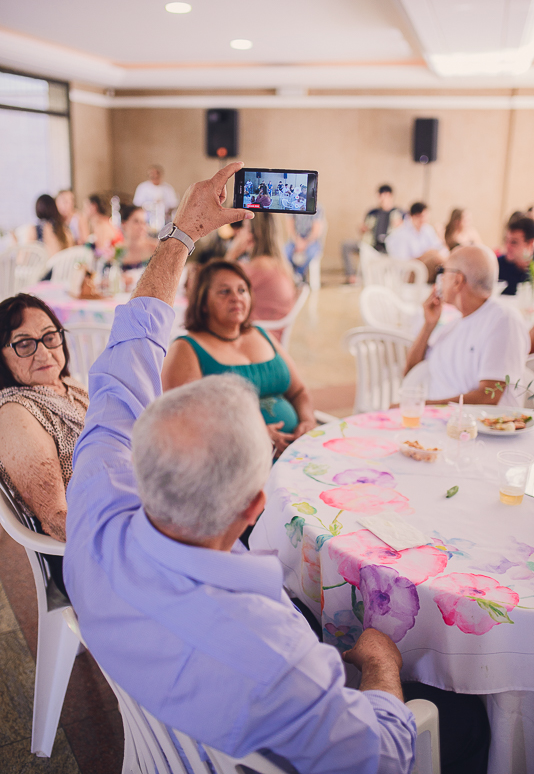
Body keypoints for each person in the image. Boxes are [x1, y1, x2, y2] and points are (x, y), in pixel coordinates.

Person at [64, 162, 417, 774]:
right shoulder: (275, 656)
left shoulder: (93, 503)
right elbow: (383, 757)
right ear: (257, 505)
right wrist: (381, 662)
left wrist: (179, 234)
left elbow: (124, 367)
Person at [161, 258, 314, 456]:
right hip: (236, 462)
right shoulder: (186, 348)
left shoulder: (261, 333)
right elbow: (187, 422)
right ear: (203, 302)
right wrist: (252, 437)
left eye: (242, 290)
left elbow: (299, 391)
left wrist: (307, 421)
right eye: (225, 292)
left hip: (296, 453)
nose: (236, 298)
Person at [0, 294, 88, 594]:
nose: (43, 352)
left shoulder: (69, 386)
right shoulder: (16, 413)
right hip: (89, 558)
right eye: (24, 344)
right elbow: (56, 520)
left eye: (50, 337)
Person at [405, 245, 529, 406]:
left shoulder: (503, 320)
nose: (440, 278)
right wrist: (428, 326)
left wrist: (423, 406)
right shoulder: (454, 323)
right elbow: (410, 372)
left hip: (472, 428)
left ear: (458, 280)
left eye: (443, 271)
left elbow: (488, 397)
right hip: (435, 422)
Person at [225, 213, 296, 340]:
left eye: (245, 228)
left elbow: (216, 284)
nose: (240, 232)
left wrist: (233, 252)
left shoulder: (258, 267)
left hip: (258, 337)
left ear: (253, 234)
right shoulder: (279, 264)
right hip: (271, 333)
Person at [342, 185, 404, 283]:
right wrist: (362, 228)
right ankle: (351, 276)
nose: (382, 198)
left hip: (388, 248)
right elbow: (364, 229)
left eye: (385, 195)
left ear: (391, 196)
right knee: (346, 245)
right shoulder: (373, 212)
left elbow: (402, 231)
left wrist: (398, 225)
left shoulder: (398, 212)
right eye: (380, 195)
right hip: (370, 245)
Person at [386, 202, 446, 283]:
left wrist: (441, 236)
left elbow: (439, 248)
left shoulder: (427, 230)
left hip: (425, 270)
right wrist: (425, 255)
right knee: (433, 255)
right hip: (408, 273)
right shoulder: (401, 234)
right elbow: (402, 262)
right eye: (420, 217)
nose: (423, 220)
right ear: (412, 216)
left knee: (439, 259)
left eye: (425, 217)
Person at [117, 204, 157, 292]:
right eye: (136, 221)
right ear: (124, 224)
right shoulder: (117, 250)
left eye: (144, 222)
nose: (142, 226)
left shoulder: (155, 248)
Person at [285, 205, 326, 280]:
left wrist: (305, 243)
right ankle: (290, 275)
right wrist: (297, 241)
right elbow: (290, 227)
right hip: (296, 239)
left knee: (310, 253)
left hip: (312, 241)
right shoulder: (292, 206)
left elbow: (316, 232)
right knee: (285, 253)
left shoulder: (317, 208)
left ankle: (299, 275)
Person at [497, 216, 534, 295]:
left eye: (514, 242)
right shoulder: (497, 266)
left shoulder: (532, 268)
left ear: (530, 244)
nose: (508, 246)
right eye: (506, 240)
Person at [83, 194, 123, 260]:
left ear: (93, 207)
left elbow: (102, 252)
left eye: (86, 206)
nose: (84, 210)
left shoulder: (102, 225)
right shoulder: (100, 223)